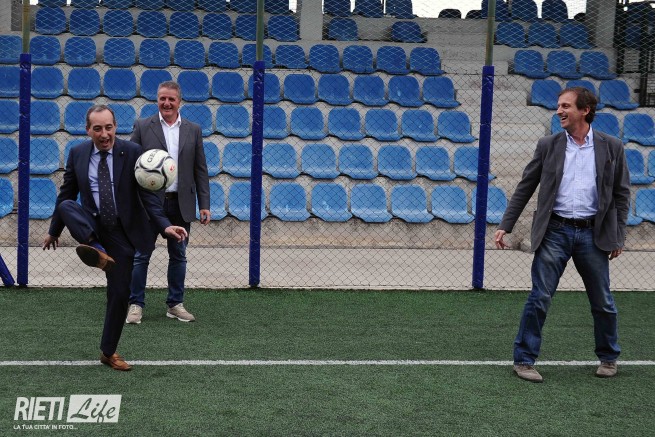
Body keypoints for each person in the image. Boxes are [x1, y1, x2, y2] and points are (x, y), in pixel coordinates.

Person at [494, 87, 630, 383]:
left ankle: (608, 357)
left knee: (603, 301)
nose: (559, 111)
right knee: (539, 297)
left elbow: (621, 194)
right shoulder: (548, 145)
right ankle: (524, 360)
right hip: (554, 231)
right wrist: (507, 224)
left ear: (585, 110)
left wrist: (618, 235)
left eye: (566, 106)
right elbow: (526, 185)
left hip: (593, 234)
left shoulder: (612, 146)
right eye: (558, 106)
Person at [42, 105, 188, 371]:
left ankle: (108, 352)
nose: (104, 134)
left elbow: (148, 197)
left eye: (108, 127)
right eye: (97, 128)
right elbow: (66, 194)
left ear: (115, 127)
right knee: (67, 206)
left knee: (120, 293)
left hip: (122, 233)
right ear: (88, 130)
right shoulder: (77, 154)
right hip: (92, 226)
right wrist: (54, 231)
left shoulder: (132, 152)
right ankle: (95, 248)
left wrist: (166, 226)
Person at [126, 81, 210, 324]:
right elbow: (131, 164)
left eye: (171, 99)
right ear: (157, 100)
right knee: (141, 255)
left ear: (179, 101)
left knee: (179, 255)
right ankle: (135, 305)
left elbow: (200, 169)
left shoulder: (193, 130)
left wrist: (204, 203)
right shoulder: (143, 126)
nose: (166, 103)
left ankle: (175, 304)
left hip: (181, 204)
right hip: (149, 204)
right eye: (162, 98)